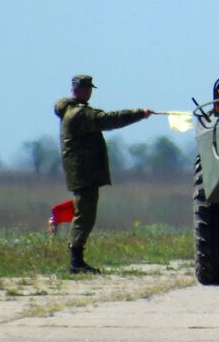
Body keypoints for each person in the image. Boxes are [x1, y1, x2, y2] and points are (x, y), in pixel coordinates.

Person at [53, 75, 151, 274]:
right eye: (87, 88)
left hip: (81, 172)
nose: (89, 92)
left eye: (90, 88)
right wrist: (138, 113)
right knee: (84, 216)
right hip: (84, 173)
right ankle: (76, 262)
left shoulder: (69, 111)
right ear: (79, 90)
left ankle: (77, 260)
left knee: (83, 213)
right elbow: (108, 120)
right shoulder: (79, 114)